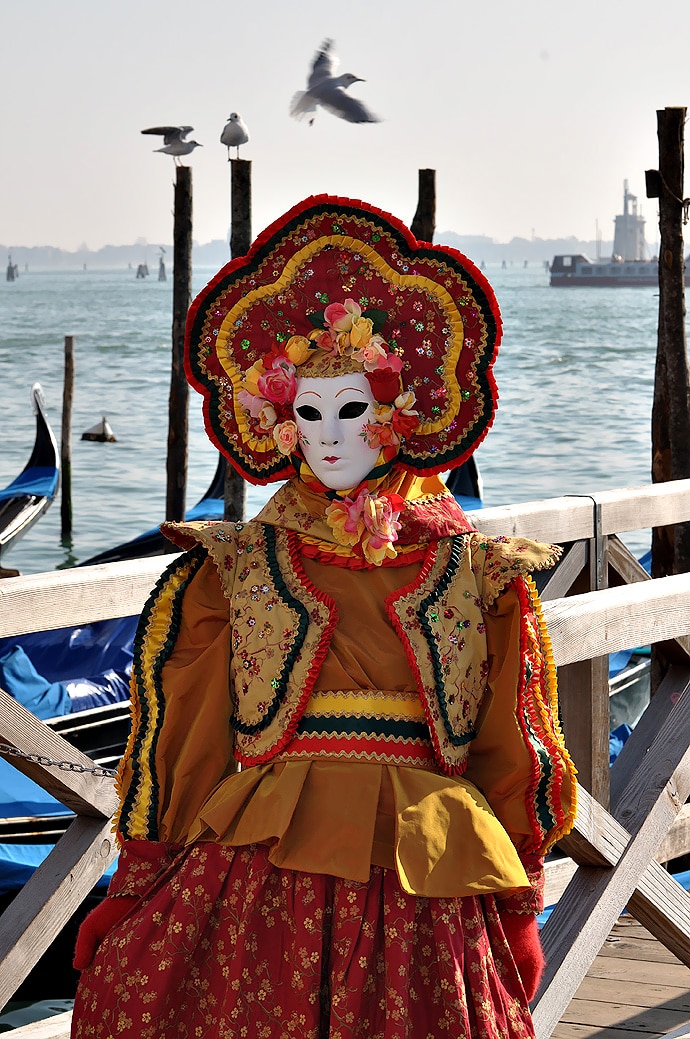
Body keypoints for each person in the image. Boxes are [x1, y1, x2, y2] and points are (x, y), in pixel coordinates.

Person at [71, 195, 577, 1039]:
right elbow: (185, 743)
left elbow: (508, 747)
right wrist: (141, 875)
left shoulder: (475, 571)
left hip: (424, 879)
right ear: (278, 420)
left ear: (401, 414)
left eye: (354, 410)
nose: (331, 438)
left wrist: (518, 895)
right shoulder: (230, 570)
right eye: (308, 412)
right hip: (262, 865)